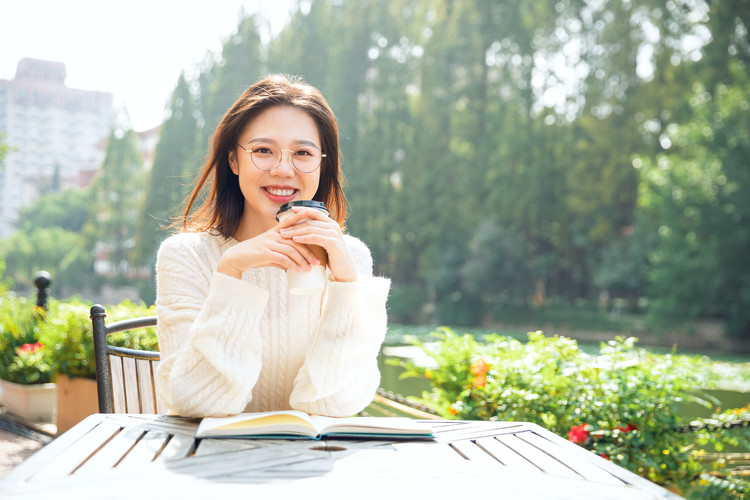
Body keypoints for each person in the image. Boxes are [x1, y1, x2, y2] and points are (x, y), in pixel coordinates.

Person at [154, 75, 390, 418]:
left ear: (322, 165)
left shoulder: (349, 257)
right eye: (263, 150)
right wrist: (231, 272)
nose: (283, 170)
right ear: (233, 160)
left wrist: (345, 285)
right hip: (212, 463)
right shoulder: (186, 256)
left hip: (312, 462)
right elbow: (198, 403)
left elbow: (334, 405)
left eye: (303, 153)